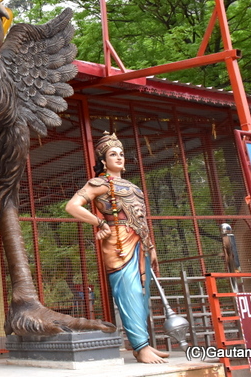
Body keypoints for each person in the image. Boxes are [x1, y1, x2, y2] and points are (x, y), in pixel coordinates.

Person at [65, 132, 169, 364]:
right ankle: (141, 347)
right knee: (128, 292)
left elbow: (142, 219)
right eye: (113, 154)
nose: (119, 158)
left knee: (142, 294)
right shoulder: (99, 183)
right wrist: (99, 222)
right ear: (103, 161)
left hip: (140, 241)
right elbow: (72, 206)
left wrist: (151, 246)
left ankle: (143, 343)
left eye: (121, 154)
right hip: (118, 243)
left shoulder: (133, 187)